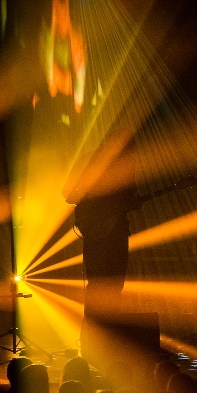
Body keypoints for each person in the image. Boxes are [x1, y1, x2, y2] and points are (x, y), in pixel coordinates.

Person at [63, 128, 140, 362]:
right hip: (101, 235)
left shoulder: (127, 165)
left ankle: (105, 342)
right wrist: (96, 205)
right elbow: (68, 193)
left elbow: (127, 199)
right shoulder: (90, 160)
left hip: (114, 232)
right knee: (101, 286)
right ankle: (95, 343)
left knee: (112, 286)